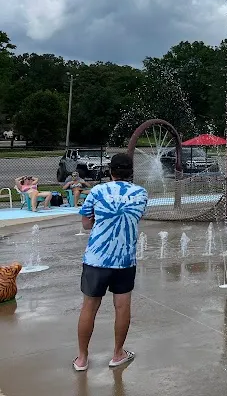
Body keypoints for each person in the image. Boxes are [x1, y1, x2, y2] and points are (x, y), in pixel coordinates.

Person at [74, 153, 148, 372]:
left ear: (110, 171)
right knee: (122, 307)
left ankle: (82, 359)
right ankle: (117, 354)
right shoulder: (141, 193)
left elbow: (87, 224)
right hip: (124, 260)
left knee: (89, 306)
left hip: (96, 259)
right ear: (131, 171)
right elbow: (135, 217)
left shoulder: (97, 191)